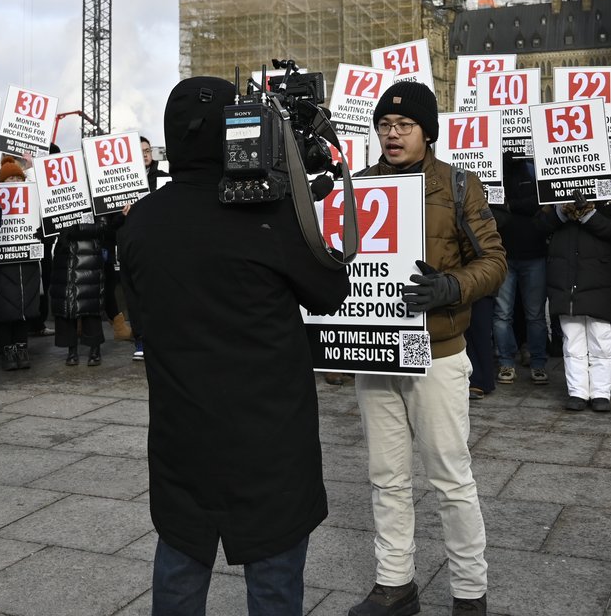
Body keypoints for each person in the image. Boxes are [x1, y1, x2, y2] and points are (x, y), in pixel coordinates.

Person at [120, 77, 350, 616]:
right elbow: (328, 293)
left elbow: (141, 321)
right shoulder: (270, 215)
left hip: (183, 427)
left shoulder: (142, 223)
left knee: (181, 556)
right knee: (273, 569)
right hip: (268, 430)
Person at [350, 81, 506, 616]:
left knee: (450, 476)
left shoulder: (458, 185)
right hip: (372, 350)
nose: (391, 135)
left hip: (436, 353)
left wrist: (451, 287)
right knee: (385, 476)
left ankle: (469, 592)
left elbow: (493, 262)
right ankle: (395, 584)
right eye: (385, 126)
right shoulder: (359, 185)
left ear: (427, 132)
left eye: (404, 126)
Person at [546, 181, 611, 412]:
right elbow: (539, 226)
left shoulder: (609, 198)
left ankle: (601, 392)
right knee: (572, 340)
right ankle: (577, 391)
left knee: (601, 339)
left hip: (599, 279)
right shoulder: (552, 197)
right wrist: (561, 211)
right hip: (566, 281)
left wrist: (589, 213)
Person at [491, 153, 551, 385]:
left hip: (533, 254)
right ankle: (506, 361)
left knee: (534, 315)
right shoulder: (491, 171)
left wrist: (509, 205)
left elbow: (540, 201)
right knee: (502, 315)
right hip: (503, 256)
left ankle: (538, 363)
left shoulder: (534, 170)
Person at [0, 156, 40, 371]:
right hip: (1, 263)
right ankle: (6, 347)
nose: (15, 182)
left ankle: (21, 346)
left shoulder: (32, 200)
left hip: (26, 263)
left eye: (18, 178)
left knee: (23, 308)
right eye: (10, 178)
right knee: (3, 310)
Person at [50, 214, 111, 366]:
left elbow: (103, 226)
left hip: (88, 255)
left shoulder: (93, 197)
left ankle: (94, 349)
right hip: (64, 256)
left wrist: (77, 229)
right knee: (67, 306)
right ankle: (71, 350)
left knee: (90, 303)